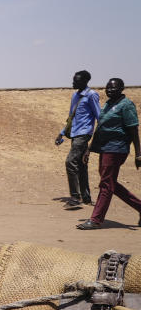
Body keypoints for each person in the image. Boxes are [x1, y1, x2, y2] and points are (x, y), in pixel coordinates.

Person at [76, 78, 141, 230]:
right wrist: (89, 149)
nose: (110, 90)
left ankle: (96, 219)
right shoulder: (108, 104)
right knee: (110, 183)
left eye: (114, 88)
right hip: (104, 148)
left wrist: (139, 154)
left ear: (122, 88)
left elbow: (133, 130)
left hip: (116, 149)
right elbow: (101, 128)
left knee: (106, 184)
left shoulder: (126, 105)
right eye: (108, 88)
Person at [55, 70, 101, 209]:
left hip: (84, 134)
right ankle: (86, 197)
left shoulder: (91, 95)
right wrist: (62, 133)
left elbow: (100, 117)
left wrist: (94, 141)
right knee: (81, 165)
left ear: (85, 81)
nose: (73, 82)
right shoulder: (75, 96)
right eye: (74, 79)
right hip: (75, 134)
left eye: (76, 80)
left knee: (70, 162)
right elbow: (71, 117)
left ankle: (75, 197)